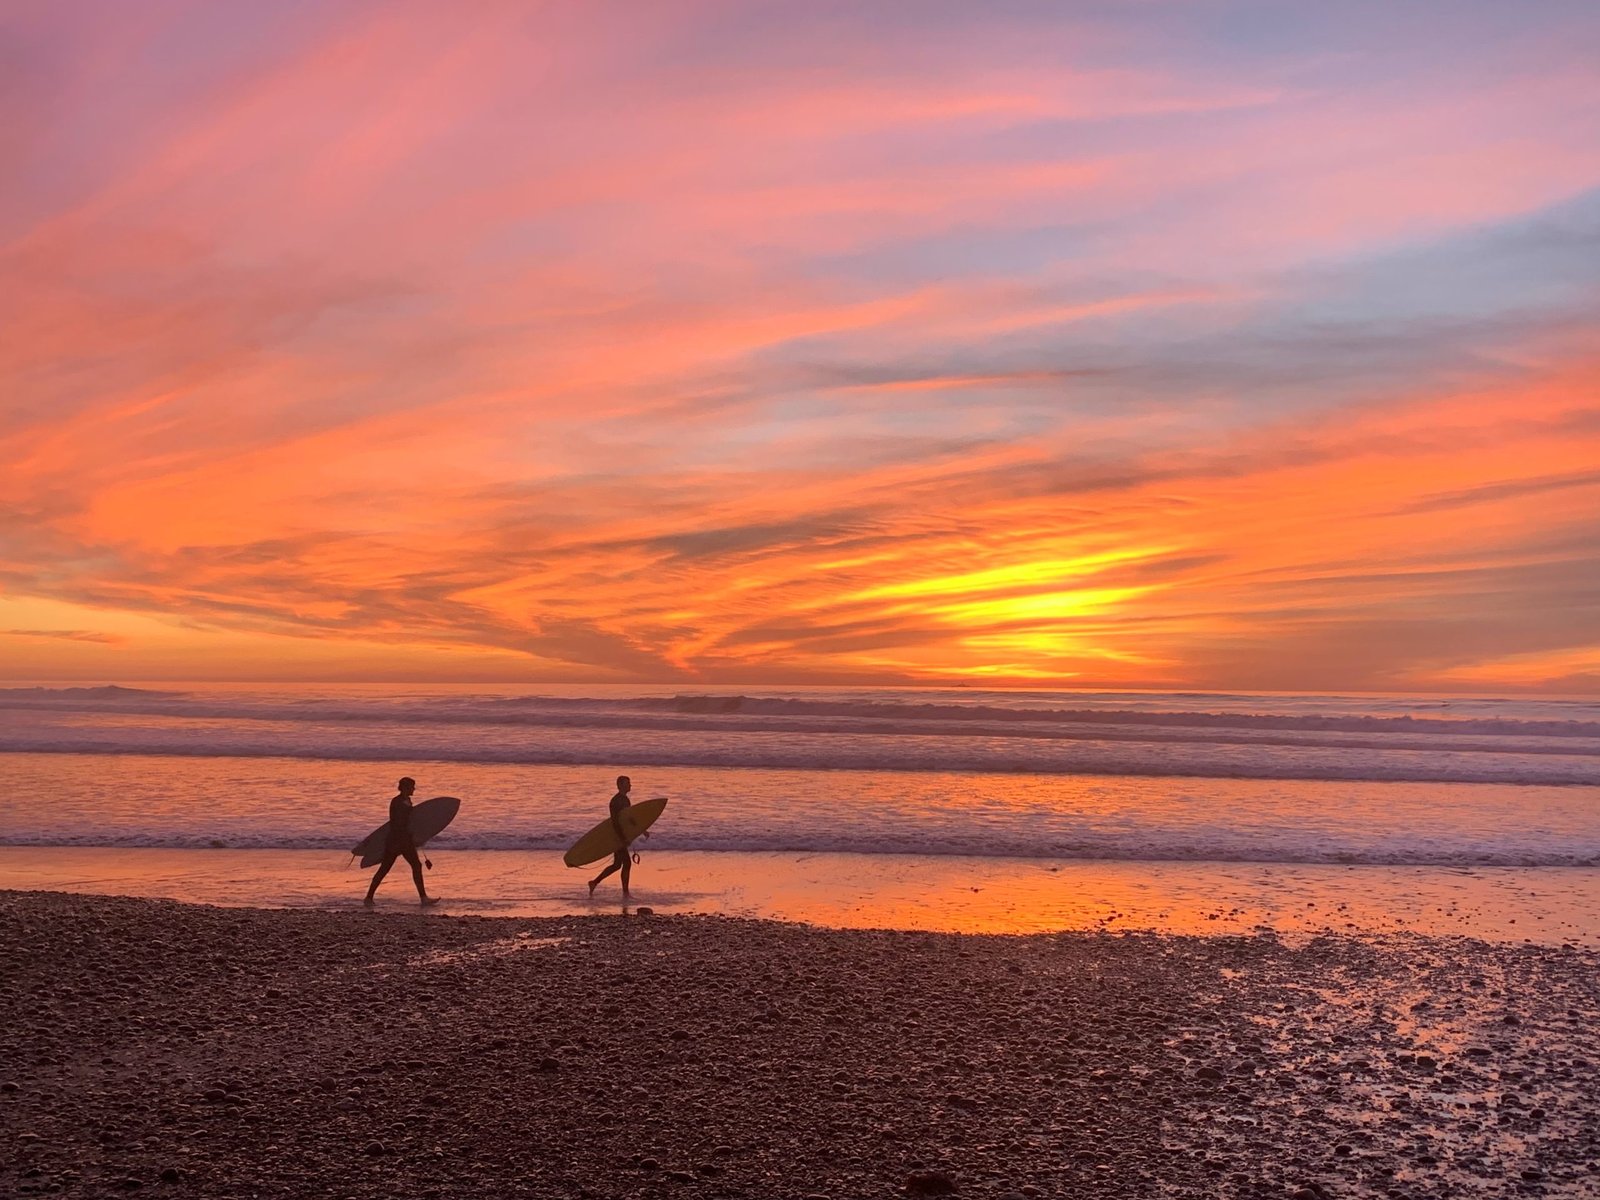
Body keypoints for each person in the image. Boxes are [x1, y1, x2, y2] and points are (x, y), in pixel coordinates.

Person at [364, 776, 438, 906]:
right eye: (411, 787)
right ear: (405, 788)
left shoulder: (407, 801)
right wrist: (410, 836)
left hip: (403, 840)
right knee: (385, 868)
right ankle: (369, 898)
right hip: (396, 841)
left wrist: (415, 836)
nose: (414, 789)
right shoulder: (396, 802)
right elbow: (397, 823)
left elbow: (410, 821)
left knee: (415, 865)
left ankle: (423, 898)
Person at [588, 775, 642, 899]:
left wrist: (642, 829)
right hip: (617, 836)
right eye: (628, 783)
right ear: (621, 785)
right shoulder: (616, 801)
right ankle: (625, 893)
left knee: (617, 864)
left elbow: (628, 818)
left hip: (621, 835)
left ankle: (594, 882)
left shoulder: (625, 800)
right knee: (627, 863)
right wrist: (622, 838)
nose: (630, 785)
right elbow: (615, 822)